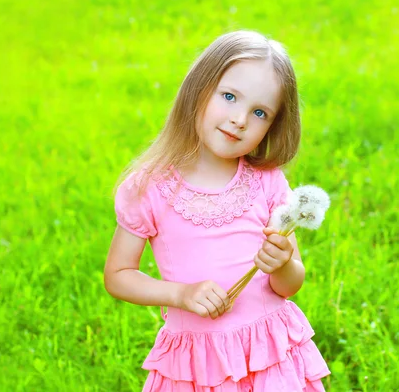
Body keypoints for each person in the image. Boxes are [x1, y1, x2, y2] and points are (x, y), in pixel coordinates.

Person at [104, 30, 330, 391]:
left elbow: (289, 286)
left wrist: (284, 262)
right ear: (198, 90)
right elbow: (118, 274)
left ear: (272, 125)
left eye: (259, 112)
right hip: (198, 363)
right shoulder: (149, 188)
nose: (240, 119)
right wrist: (179, 294)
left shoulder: (268, 183)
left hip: (269, 352)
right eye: (228, 97)